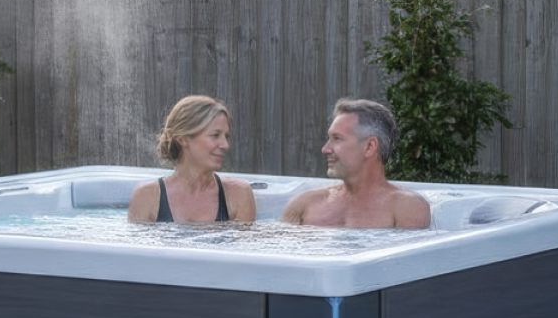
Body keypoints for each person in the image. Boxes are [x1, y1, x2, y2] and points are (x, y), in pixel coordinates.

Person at [281, 98, 430, 229]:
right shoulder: (304, 205)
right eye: (329, 139)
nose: (325, 149)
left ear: (370, 147)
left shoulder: (405, 208)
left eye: (337, 138)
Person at [128, 95, 257, 223]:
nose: (225, 145)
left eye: (226, 136)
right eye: (215, 135)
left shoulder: (238, 195)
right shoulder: (147, 197)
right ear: (183, 139)